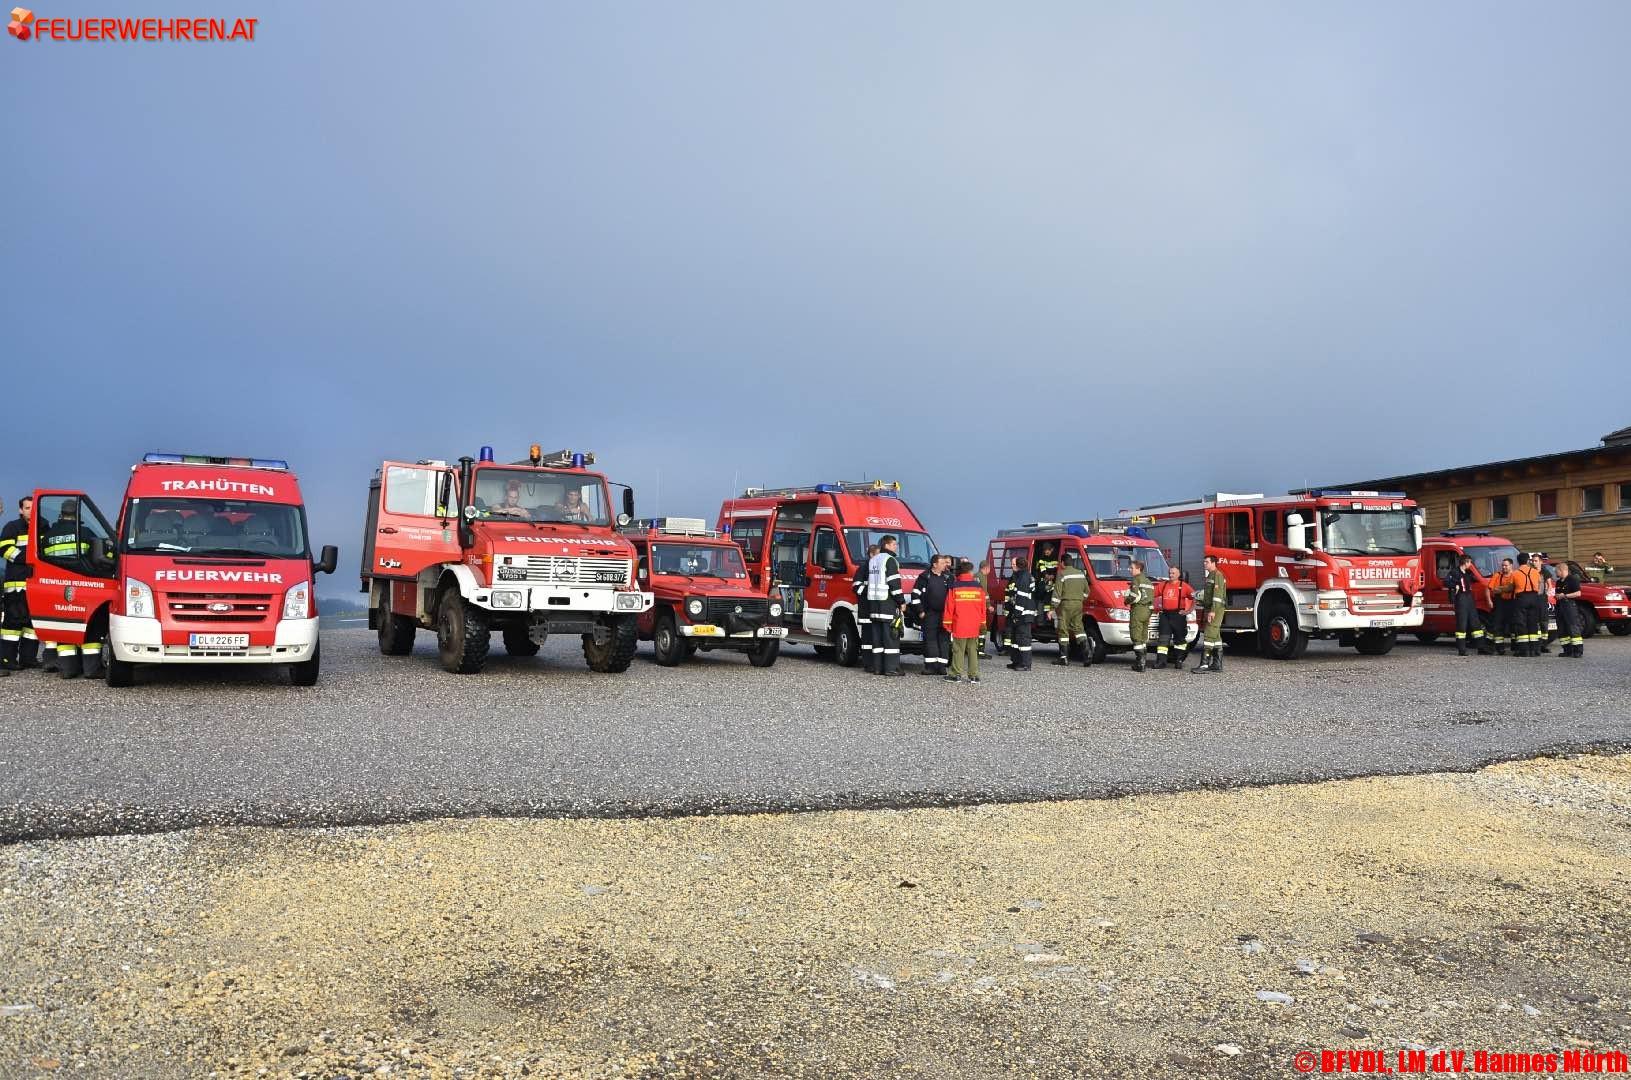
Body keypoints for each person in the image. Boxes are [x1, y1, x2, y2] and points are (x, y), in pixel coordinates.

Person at [39, 501, 99, 679]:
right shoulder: (86, 533)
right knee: (89, 626)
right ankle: (91, 668)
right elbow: (102, 556)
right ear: (77, 514)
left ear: (61, 513)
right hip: (83, 586)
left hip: (55, 587)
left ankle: (68, 669)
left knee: (64, 627)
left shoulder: (48, 536)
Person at [0, 496, 38, 676]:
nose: (30, 510)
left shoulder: (43, 527)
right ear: (20, 510)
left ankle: (28, 658)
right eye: (27, 507)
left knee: (33, 624)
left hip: (36, 585)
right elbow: (6, 550)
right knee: (12, 624)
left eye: (33, 507)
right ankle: (7, 659)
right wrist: (31, 559)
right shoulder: (12, 527)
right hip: (16, 585)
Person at [865, 535, 906, 675]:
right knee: (891, 639)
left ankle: (878, 668)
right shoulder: (890, 560)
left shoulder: (873, 560)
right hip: (887, 604)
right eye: (894, 544)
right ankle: (891, 669)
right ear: (887, 545)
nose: (896, 547)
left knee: (877, 639)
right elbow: (894, 583)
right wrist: (901, 601)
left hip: (874, 605)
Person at [909, 554, 954, 676]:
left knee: (944, 640)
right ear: (935, 564)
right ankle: (930, 667)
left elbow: (953, 596)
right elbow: (915, 596)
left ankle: (942, 667)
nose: (946, 564)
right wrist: (920, 611)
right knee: (930, 640)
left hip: (945, 615)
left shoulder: (949, 577)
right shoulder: (924, 577)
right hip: (929, 614)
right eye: (943, 563)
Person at [943, 559, 987, 683]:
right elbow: (983, 607)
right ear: (970, 571)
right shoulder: (978, 587)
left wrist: (947, 624)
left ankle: (955, 674)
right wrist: (982, 623)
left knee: (958, 650)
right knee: (973, 650)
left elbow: (949, 607)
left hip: (959, 624)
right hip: (974, 624)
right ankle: (974, 676)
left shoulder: (955, 587)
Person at [1051, 554, 1091, 667]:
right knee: (1079, 629)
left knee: (1063, 630)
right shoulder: (1080, 574)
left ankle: (1064, 658)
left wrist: (1052, 608)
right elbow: (1087, 591)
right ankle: (1087, 655)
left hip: (1066, 605)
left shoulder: (1062, 574)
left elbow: (1057, 593)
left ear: (1063, 563)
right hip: (1078, 604)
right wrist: (1079, 598)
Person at [1152, 565, 1194, 670]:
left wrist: (1188, 611)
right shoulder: (1163, 585)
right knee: (1163, 640)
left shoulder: (1184, 586)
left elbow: (1195, 597)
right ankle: (1161, 662)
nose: (1171, 575)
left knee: (1180, 640)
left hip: (1178, 615)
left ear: (1179, 574)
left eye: (1173, 573)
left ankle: (1179, 660)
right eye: (1170, 573)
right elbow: (1151, 595)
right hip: (1165, 615)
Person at [1193, 555, 1228, 673]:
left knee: (1208, 635)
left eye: (1207, 562)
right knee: (1216, 636)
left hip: (1216, 609)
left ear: (1213, 563)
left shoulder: (1217, 575)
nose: (1204, 564)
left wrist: (1213, 611)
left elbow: (1217, 596)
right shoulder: (1211, 576)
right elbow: (1210, 594)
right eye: (1204, 562)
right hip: (1212, 608)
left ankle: (1204, 665)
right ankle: (1217, 665)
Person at [1446, 553, 1487, 657]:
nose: (1470, 564)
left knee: (1475, 623)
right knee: (1462, 624)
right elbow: (1446, 582)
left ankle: (1481, 647)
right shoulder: (1454, 572)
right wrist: (1455, 585)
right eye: (1469, 562)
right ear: (1465, 562)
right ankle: (1461, 649)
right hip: (1461, 599)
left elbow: (1476, 579)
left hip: (1469, 598)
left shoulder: (1468, 573)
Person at [1004, 555, 1037, 671]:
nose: (1012, 566)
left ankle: (1026, 664)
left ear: (1018, 565)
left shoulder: (1023, 577)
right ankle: (1016, 661)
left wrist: (1016, 614)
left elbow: (1022, 598)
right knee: (1016, 639)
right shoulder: (1021, 576)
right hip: (1020, 613)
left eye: (1014, 564)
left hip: (1024, 614)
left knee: (1024, 639)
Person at [1511, 553, 1544, 657]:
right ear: (1528, 561)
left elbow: (1511, 587)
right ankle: (1534, 650)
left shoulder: (1515, 573)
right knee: (1533, 623)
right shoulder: (1535, 572)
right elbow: (1540, 585)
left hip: (1521, 598)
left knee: (1521, 623)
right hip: (1534, 598)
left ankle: (1524, 651)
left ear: (1518, 561)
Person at [1124, 559, 1154, 672]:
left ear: (1138, 569)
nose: (1130, 570)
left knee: (1136, 636)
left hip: (1138, 610)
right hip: (1147, 611)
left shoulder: (1136, 580)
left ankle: (1140, 664)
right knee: (1143, 637)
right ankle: (1143, 662)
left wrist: (1126, 601)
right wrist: (1149, 613)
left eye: (1131, 568)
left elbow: (1133, 595)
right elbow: (1151, 600)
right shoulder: (1149, 582)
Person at [852, 544, 877, 668]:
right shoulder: (863, 567)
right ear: (871, 554)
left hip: (876, 609)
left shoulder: (878, 568)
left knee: (876, 638)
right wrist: (871, 590)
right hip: (866, 608)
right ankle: (868, 663)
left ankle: (875, 662)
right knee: (867, 638)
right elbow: (856, 586)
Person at [1554, 559, 1586, 658]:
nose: (1555, 573)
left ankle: (1578, 650)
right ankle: (1567, 650)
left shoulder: (1572, 579)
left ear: (1562, 570)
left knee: (1573, 628)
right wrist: (1557, 595)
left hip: (1569, 606)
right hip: (1560, 606)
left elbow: (1578, 593)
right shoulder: (1559, 582)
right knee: (1562, 629)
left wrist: (1565, 595)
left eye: (1556, 571)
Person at [1488, 556, 1518, 656]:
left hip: (1512, 603)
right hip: (1500, 603)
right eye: (1502, 565)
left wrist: (1500, 588)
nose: (1504, 567)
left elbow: (1512, 588)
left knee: (1514, 625)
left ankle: (1516, 646)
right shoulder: (1497, 575)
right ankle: (1499, 648)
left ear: (1511, 566)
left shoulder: (1515, 575)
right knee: (1498, 625)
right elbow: (1491, 589)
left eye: (1506, 565)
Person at [1535, 553, 1556, 653]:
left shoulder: (1544, 571)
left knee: (1544, 622)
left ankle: (1544, 644)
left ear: (1540, 562)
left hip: (1542, 599)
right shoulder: (1531, 571)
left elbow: (1549, 584)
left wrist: (1546, 594)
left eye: (1536, 561)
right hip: (1533, 600)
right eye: (1532, 561)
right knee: (1535, 623)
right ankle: (1537, 644)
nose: (1534, 562)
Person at [977, 558, 996, 658]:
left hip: (975, 608)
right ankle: (980, 651)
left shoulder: (975, 576)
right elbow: (985, 594)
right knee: (982, 629)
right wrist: (989, 606)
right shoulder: (982, 577)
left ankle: (975, 650)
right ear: (986, 568)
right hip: (981, 608)